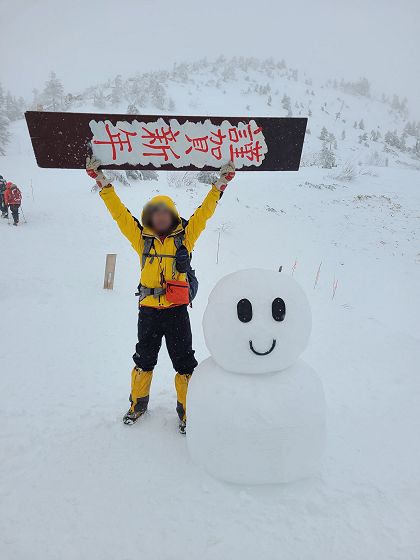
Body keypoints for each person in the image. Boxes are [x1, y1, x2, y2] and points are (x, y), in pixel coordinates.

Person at [86, 156, 235, 433]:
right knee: (144, 359)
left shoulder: (185, 237)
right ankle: (138, 404)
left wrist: (220, 185)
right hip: (149, 311)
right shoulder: (141, 238)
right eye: (156, 213)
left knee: (184, 362)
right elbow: (119, 213)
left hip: (176, 312)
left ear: (173, 215)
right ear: (150, 217)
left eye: (165, 212)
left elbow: (204, 213)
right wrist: (102, 182)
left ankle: (187, 410)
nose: (161, 216)